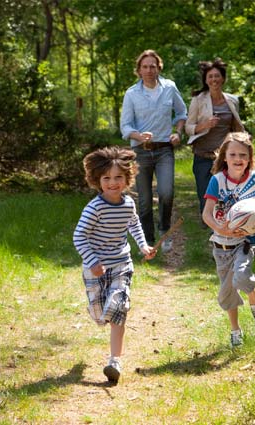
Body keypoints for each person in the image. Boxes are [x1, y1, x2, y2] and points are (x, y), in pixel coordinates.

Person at [73, 146, 156, 384]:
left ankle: (114, 361)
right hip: (95, 267)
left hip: (121, 264)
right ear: (97, 180)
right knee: (100, 315)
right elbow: (79, 236)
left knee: (119, 308)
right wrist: (92, 261)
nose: (113, 183)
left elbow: (134, 225)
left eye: (118, 177)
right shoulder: (95, 208)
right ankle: (101, 313)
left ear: (127, 179)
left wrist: (143, 246)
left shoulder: (128, 203)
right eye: (107, 178)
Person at [202, 132, 255, 348]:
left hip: (245, 242)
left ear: (249, 157)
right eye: (233, 154)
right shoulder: (217, 181)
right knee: (227, 292)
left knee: (242, 276)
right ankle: (235, 330)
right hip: (221, 245)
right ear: (224, 157)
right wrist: (222, 229)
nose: (238, 159)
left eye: (243, 155)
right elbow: (206, 214)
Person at [120, 49, 187, 252]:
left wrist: (179, 132)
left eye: (153, 66)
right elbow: (125, 126)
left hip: (164, 149)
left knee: (166, 192)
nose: (149, 70)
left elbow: (182, 112)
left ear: (159, 68)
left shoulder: (169, 87)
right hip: (141, 151)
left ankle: (165, 231)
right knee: (145, 199)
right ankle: (147, 240)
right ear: (139, 70)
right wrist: (138, 135)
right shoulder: (132, 94)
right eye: (145, 66)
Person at [185, 58, 245, 223]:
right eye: (210, 76)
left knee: (226, 193)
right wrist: (204, 125)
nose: (214, 80)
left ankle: (223, 226)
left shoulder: (232, 100)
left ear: (223, 78)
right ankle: (207, 220)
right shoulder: (198, 100)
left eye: (217, 76)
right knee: (205, 194)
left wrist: (243, 140)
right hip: (202, 155)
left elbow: (235, 126)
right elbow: (188, 127)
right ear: (206, 80)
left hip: (224, 156)